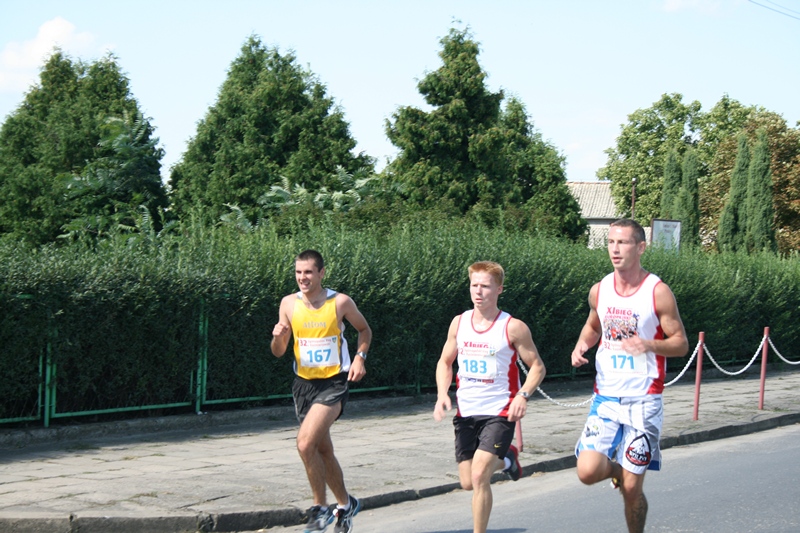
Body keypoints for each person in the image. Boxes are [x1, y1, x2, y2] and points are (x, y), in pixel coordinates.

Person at [571, 219, 689, 533]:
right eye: (611, 242)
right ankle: (618, 471)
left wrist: (649, 344)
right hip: (606, 399)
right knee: (586, 471)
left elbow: (681, 343)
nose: (615, 249)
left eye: (623, 242)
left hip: (644, 401)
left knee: (633, 489)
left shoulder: (658, 292)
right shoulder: (600, 290)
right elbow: (593, 326)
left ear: (640, 247)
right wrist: (582, 344)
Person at [433, 261, 546, 533]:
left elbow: (537, 367)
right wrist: (441, 394)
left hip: (500, 411)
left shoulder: (512, 327)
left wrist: (523, 395)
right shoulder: (459, 323)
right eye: (474, 285)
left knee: (479, 476)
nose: (478, 291)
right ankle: (508, 459)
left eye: (485, 286)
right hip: (466, 411)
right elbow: (445, 362)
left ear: (499, 289)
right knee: (467, 482)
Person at [271, 250, 372, 533]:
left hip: (333, 384)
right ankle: (346, 504)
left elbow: (364, 330)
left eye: (308, 272)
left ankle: (320, 509)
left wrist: (360, 357)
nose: (302, 278)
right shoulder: (288, 304)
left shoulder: (339, 302)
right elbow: (278, 352)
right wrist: (278, 338)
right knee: (323, 449)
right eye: (298, 272)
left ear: (321, 273)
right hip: (304, 385)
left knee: (305, 444)